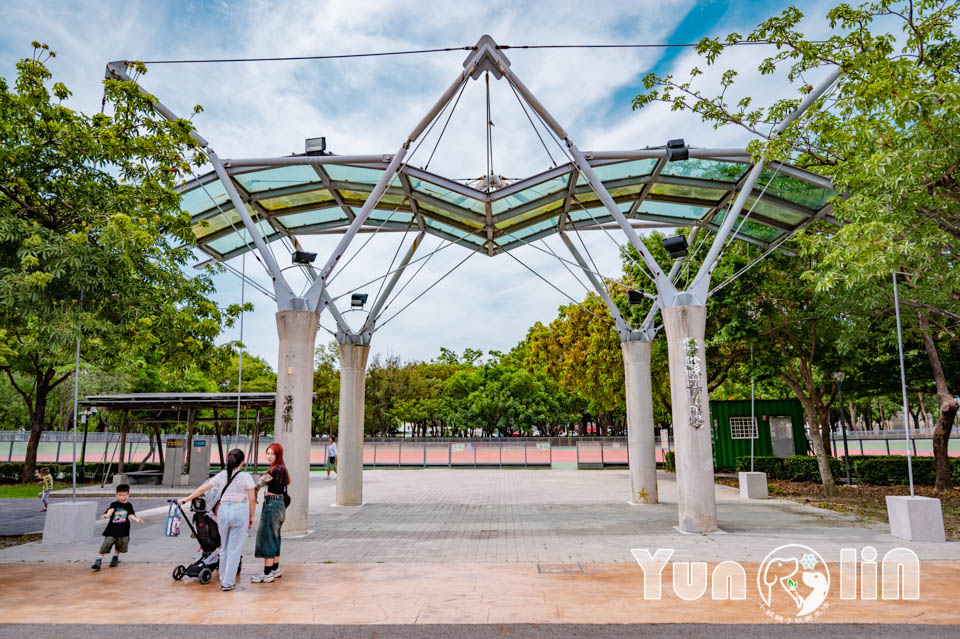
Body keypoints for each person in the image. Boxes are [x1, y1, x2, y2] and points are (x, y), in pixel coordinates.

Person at [179, 448, 255, 591]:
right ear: (243, 462)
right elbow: (252, 498)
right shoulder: (246, 476)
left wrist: (186, 499)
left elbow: (202, 490)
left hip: (223, 511)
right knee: (234, 549)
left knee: (224, 548)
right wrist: (251, 516)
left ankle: (223, 578)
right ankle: (228, 582)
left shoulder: (221, 475)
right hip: (240, 510)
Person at [251, 443, 289, 583]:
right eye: (268, 453)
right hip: (280, 505)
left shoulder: (274, 470)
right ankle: (274, 568)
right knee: (275, 537)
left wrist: (251, 497)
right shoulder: (283, 469)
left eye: (272, 453)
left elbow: (257, 485)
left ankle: (267, 573)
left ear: (278, 455)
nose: (269, 456)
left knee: (268, 537)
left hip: (271, 505)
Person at [92, 483, 143, 571]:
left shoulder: (129, 505)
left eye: (123, 495)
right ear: (116, 495)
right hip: (112, 529)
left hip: (123, 530)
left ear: (128, 495)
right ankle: (98, 560)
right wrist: (107, 515)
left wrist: (136, 519)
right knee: (106, 543)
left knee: (120, 545)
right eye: (119, 495)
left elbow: (130, 514)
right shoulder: (114, 504)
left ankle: (115, 557)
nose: (121, 497)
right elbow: (110, 510)